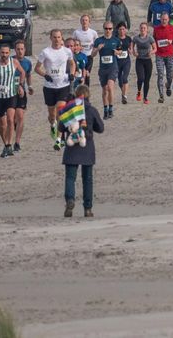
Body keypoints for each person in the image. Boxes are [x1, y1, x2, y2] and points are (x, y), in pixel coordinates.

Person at [61, 85, 104, 218]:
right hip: (87, 147)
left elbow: (61, 126)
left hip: (71, 147)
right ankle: (87, 208)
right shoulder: (91, 110)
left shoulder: (70, 109)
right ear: (88, 96)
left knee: (70, 177)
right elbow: (101, 128)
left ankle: (70, 200)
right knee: (87, 179)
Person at [36, 29, 76, 141]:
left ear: (61, 38)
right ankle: (52, 124)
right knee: (52, 115)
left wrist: (72, 74)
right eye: (54, 37)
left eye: (59, 37)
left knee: (60, 110)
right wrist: (45, 75)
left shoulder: (67, 51)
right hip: (49, 87)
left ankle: (59, 138)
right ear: (50, 38)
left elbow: (72, 63)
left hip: (63, 85)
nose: (57, 39)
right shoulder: (45, 52)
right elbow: (37, 68)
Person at [90, 21, 123, 117]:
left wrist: (117, 52)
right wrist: (97, 49)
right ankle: (105, 110)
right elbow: (92, 55)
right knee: (104, 90)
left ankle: (111, 109)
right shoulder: (98, 41)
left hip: (113, 67)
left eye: (110, 28)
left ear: (112, 29)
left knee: (110, 87)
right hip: (102, 68)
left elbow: (121, 51)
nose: (108, 30)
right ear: (103, 29)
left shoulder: (116, 40)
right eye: (106, 28)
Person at [12, 39, 33, 152]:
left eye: (22, 49)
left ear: (25, 50)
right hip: (9, 92)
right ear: (15, 50)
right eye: (18, 49)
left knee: (20, 116)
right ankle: (14, 126)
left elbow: (28, 75)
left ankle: (17, 142)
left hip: (21, 92)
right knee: (12, 118)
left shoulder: (27, 62)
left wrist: (29, 86)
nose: (20, 51)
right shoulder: (10, 61)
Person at [152, 13, 173, 103]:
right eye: (162, 19)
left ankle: (168, 86)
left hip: (170, 55)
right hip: (159, 55)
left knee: (169, 76)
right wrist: (153, 49)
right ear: (160, 20)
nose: (164, 21)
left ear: (168, 20)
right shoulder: (156, 29)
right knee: (160, 74)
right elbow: (154, 40)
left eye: (166, 19)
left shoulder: (172, 28)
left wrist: (171, 41)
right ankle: (161, 95)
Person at [131, 22, 155, 103]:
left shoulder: (150, 38)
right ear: (139, 29)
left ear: (147, 29)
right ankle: (138, 92)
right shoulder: (136, 38)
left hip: (148, 60)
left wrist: (151, 52)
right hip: (139, 60)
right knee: (141, 78)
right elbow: (131, 46)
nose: (143, 29)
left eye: (144, 28)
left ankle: (145, 97)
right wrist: (134, 52)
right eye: (141, 28)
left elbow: (155, 48)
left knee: (147, 80)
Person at [115, 23, 132, 105]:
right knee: (119, 80)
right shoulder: (115, 39)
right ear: (118, 30)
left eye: (123, 29)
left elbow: (131, 49)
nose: (122, 31)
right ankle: (123, 93)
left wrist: (130, 51)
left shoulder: (128, 39)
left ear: (125, 30)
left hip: (126, 61)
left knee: (124, 78)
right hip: (117, 62)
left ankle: (124, 96)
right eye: (120, 29)